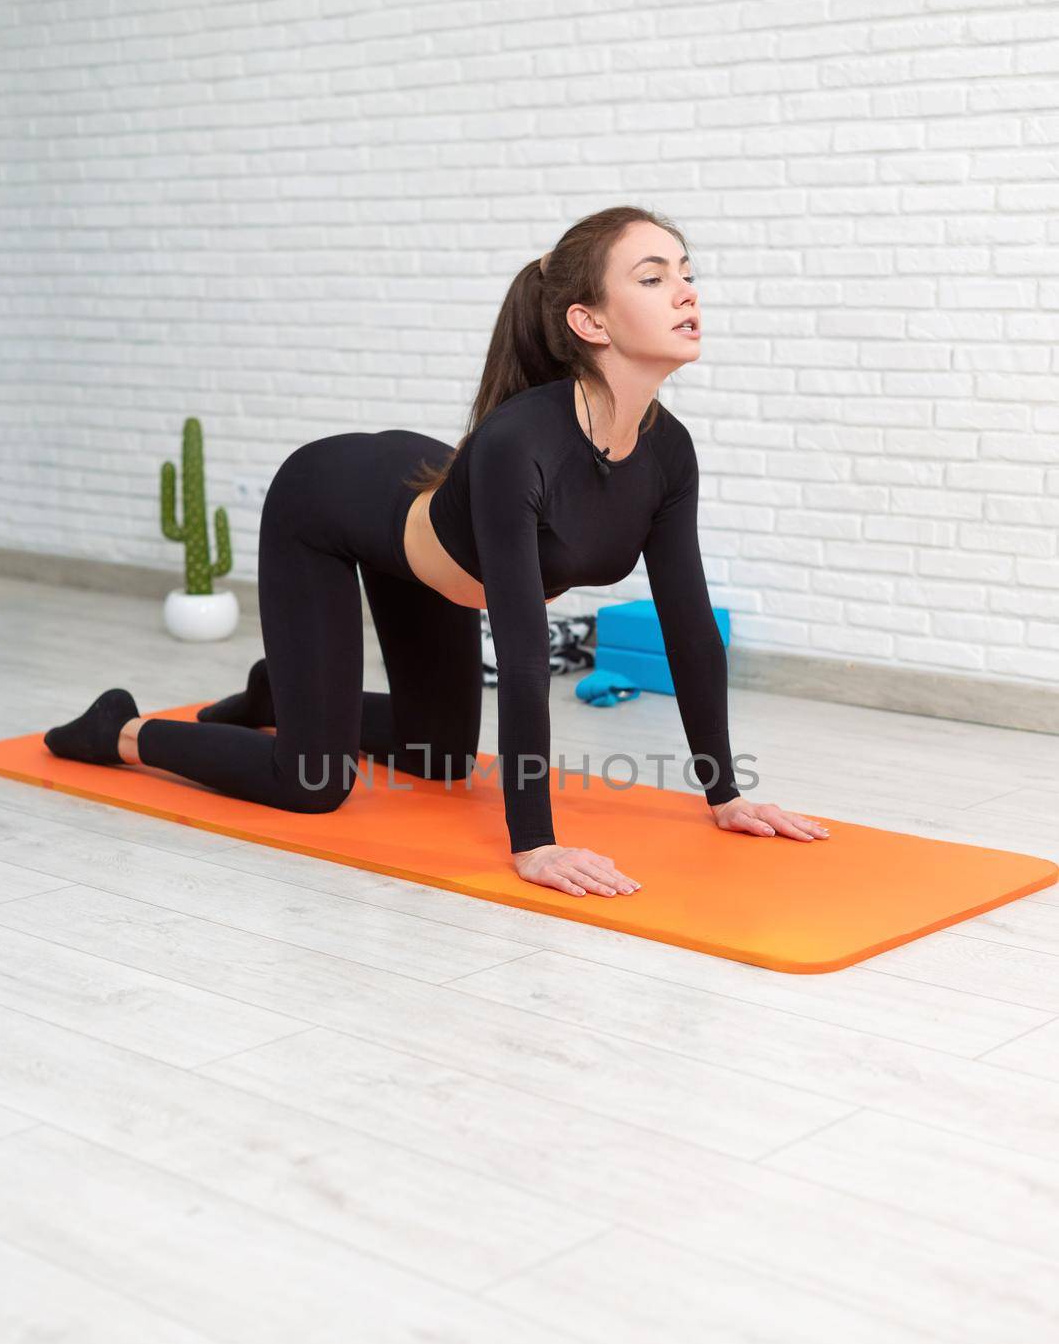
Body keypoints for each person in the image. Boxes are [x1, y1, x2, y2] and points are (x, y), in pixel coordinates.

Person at [43, 205, 828, 901]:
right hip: (329, 506)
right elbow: (520, 656)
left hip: (432, 541)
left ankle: (282, 695)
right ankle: (118, 728)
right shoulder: (521, 443)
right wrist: (534, 843)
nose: (688, 291)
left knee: (443, 758)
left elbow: (688, 628)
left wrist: (723, 794)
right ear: (590, 322)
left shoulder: (667, 453)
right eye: (655, 278)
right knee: (312, 784)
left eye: (686, 273)